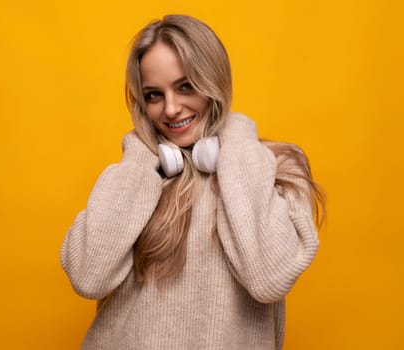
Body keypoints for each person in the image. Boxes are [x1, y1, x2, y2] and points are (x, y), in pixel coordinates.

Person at [61, 14, 325, 350]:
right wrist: (141, 156)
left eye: (186, 86)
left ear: (214, 81)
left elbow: (267, 279)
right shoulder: (138, 176)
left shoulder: (278, 172)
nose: (170, 109)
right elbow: (88, 276)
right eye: (154, 95)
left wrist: (237, 138)